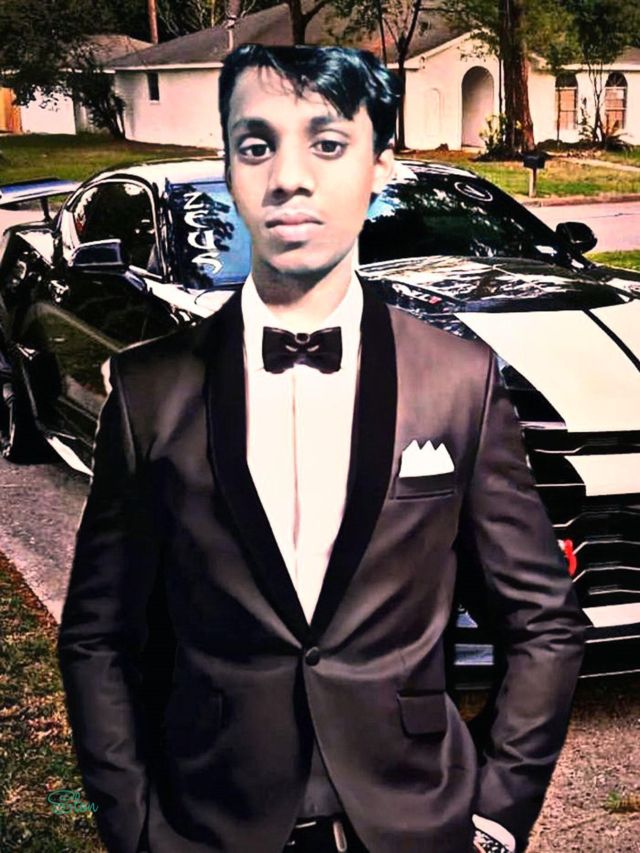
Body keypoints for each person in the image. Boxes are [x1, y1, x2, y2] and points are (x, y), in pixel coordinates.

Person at [58, 44, 586, 853]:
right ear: (230, 164)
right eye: (256, 144)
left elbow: (543, 620)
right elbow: (99, 636)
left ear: (379, 165)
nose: (289, 177)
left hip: (415, 824)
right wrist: (134, 828)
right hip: (211, 827)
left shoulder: (458, 380)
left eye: (328, 143)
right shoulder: (149, 390)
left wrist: (495, 814)